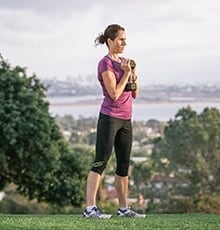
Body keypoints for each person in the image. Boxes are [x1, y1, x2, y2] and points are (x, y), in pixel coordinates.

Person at [83, 24, 146, 218]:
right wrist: (126, 73)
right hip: (110, 118)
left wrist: (133, 75)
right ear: (110, 41)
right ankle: (90, 209)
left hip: (126, 120)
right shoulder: (106, 64)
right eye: (120, 39)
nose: (124, 43)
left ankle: (123, 208)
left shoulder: (125, 61)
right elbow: (114, 94)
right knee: (100, 162)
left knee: (123, 167)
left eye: (125, 39)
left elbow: (134, 94)